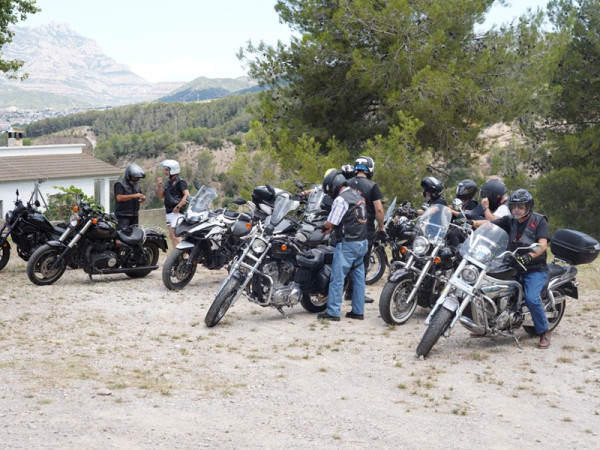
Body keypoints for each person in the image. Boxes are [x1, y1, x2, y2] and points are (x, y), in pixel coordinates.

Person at [471, 189, 551, 348]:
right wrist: (472, 223)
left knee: (531, 298)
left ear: (528, 206)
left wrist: (530, 255)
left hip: (534, 269)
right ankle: (488, 324)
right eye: (514, 206)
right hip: (512, 266)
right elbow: (489, 223)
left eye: (520, 206)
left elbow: (542, 245)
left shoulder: (539, 220)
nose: (516, 209)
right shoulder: (509, 220)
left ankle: (544, 332)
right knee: (488, 287)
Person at [317, 169, 369, 321]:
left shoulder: (341, 199)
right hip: (362, 242)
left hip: (348, 243)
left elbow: (331, 222)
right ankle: (358, 311)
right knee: (358, 278)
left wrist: (323, 226)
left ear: (333, 186)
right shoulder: (357, 195)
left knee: (337, 278)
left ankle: (333, 312)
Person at [344, 156, 386, 303]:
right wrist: (381, 227)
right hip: (364, 229)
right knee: (362, 262)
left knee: (346, 261)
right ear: (370, 168)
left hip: (347, 228)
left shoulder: (346, 183)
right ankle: (356, 294)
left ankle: (347, 291)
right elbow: (379, 209)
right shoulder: (372, 186)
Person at [157, 159, 190, 249]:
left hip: (177, 213)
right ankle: (178, 259)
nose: (165, 172)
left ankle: (186, 255)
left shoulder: (180, 181)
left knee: (175, 236)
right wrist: (159, 186)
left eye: (167, 170)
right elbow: (161, 196)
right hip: (169, 212)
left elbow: (187, 195)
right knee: (172, 237)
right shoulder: (168, 182)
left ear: (173, 169)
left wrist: (178, 206)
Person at [113, 163, 146, 230]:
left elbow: (138, 196)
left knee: (134, 236)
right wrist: (134, 196)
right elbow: (119, 198)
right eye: (134, 177)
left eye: (137, 178)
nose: (135, 179)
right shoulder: (120, 184)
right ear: (128, 175)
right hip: (123, 216)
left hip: (134, 215)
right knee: (123, 236)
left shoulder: (136, 185)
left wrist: (142, 199)